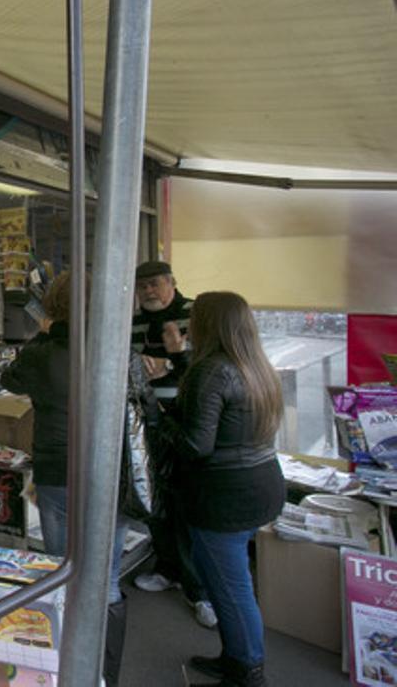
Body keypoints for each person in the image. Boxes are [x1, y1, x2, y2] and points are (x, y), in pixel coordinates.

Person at [0, 271, 155, 685]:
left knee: (61, 574)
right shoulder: (121, 351)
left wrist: (43, 335)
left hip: (57, 472)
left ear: (53, 307)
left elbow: (6, 380)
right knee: (105, 583)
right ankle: (105, 675)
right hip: (112, 476)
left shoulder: (40, 352)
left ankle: (65, 671)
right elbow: (148, 409)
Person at [172, 292, 284, 687]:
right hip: (263, 483)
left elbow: (195, 446)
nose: (189, 327)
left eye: (194, 319)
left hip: (225, 496)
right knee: (225, 575)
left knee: (232, 587)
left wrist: (154, 416)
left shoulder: (213, 371)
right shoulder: (256, 366)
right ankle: (236, 655)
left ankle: (248, 670)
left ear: (209, 325)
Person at [130, 260, 216, 629]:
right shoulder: (132, 321)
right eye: (143, 286)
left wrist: (172, 363)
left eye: (155, 284)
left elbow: (212, 369)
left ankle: (200, 589)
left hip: (187, 420)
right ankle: (167, 566)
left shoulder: (195, 313)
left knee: (186, 503)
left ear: (172, 283)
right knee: (154, 496)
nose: (149, 291)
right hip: (146, 419)